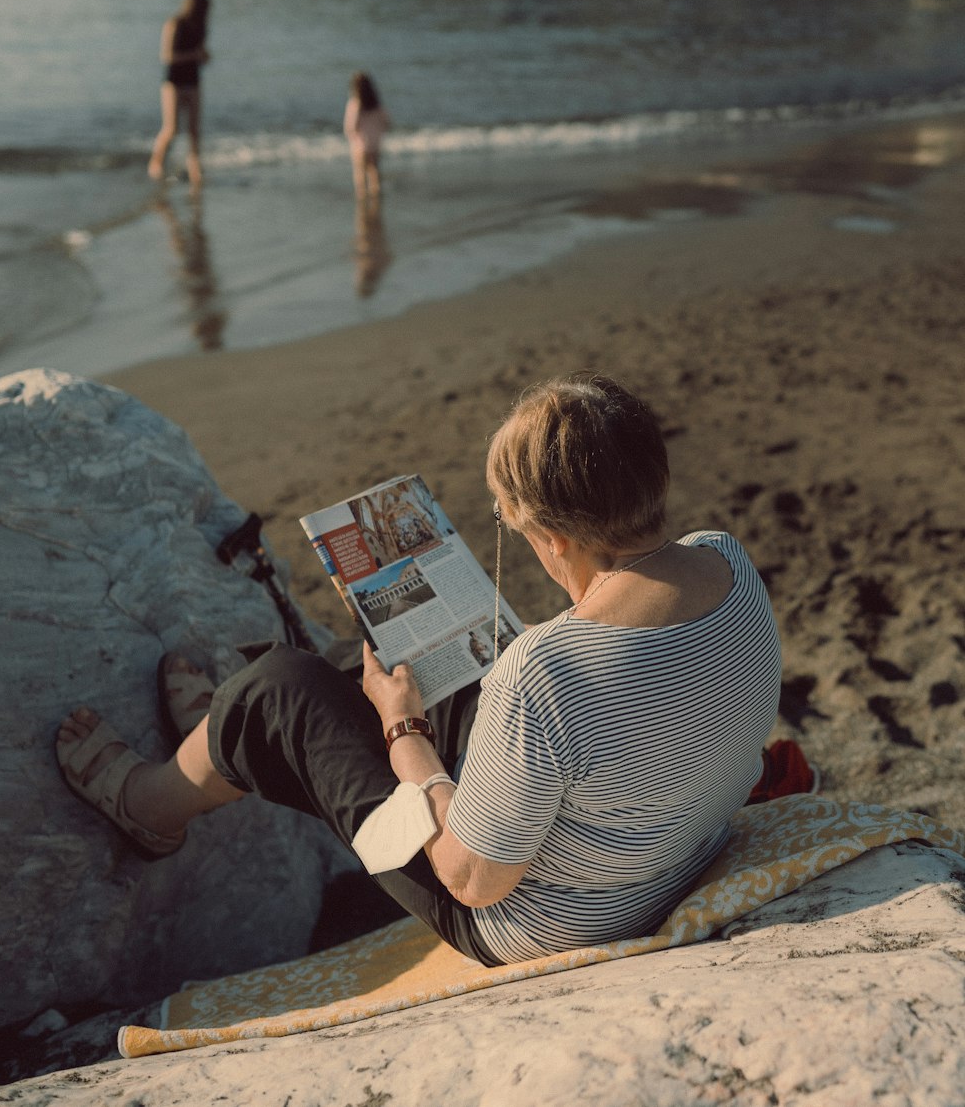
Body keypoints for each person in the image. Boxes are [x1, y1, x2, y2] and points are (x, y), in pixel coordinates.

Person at [56, 374, 806, 968]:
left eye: (509, 520)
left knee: (282, 689)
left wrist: (404, 729)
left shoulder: (547, 670)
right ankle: (227, 742)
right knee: (378, 668)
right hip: (670, 845)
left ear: (554, 538)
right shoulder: (724, 560)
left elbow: (470, 880)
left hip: (535, 919)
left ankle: (152, 805)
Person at [148, 0, 211, 187]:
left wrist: (203, 57)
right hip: (173, 82)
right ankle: (155, 163)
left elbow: (201, 55)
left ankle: (195, 169)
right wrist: (194, 55)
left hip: (193, 81)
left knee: (194, 130)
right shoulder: (174, 24)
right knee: (171, 128)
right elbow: (167, 56)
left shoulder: (200, 27)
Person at [343, 71, 389, 198]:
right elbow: (386, 122)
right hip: (375, 143)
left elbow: (350, 126)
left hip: (360, 144)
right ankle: (376, 201)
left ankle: (363, 204)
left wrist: (352, 138)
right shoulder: (376, 104)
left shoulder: (355, 103)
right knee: (374, 174)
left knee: (360, 176)